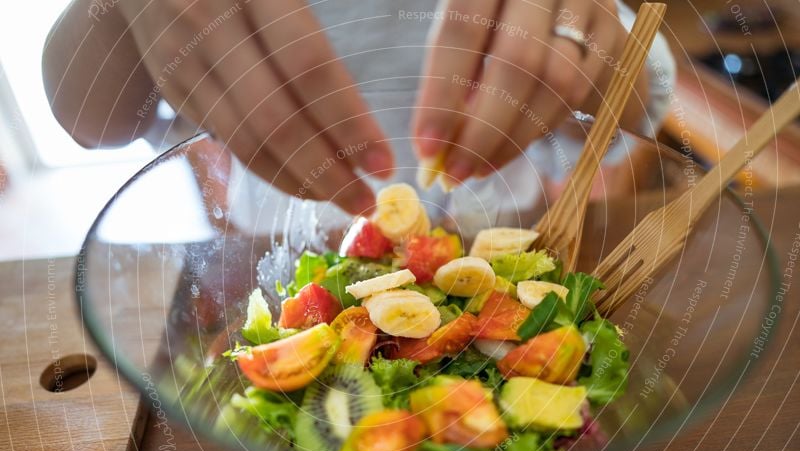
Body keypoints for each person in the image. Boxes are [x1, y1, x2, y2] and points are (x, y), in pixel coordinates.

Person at [43, 0, 674, 222]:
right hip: (276, 262)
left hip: (508, 241)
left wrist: (590, 56)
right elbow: (90, 120)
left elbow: (638, 101)